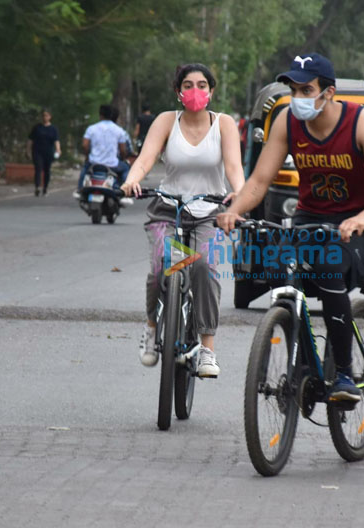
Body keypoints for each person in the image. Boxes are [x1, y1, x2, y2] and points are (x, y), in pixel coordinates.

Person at [216, 53, 364, 400]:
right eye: (293, 89)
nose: (298, 97)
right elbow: (259, 181)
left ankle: (344, 374)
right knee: (274, 262)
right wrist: (234, 210)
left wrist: (362, 218)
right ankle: (300, 359)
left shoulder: (362, 123)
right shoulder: (287, 121)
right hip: (310, 220)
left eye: (306, 89)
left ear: (328, 92)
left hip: (361, 226)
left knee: (328, 267)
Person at [121, 63, 244, 377]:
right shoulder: (166, 120)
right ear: (178, 92)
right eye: (188, 85)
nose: (195, 91)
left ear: (211, 91)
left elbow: (233, 168)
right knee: (161, 267)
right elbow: (146, 158)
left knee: (205, 266)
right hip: (168, 209)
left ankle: (207, 349)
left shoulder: (225, 124)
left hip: (211, 213)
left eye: (202, 85)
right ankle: (151, 328)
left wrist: (241, 197)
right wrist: (131, 179)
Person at [73, 104, 130, 199]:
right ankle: (125, 193)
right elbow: (123, 150)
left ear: (100, 115)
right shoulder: (119, 131)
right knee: (126, 169)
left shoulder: (91, 128)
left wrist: (87, 156)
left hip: (94, 164)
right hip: (112, 165)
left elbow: (85, 145)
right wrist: (123, 158)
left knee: (84, 170)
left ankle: (79, 189)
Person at [27, 109, 61, 196]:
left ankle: (45, 188)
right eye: (43, 115)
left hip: (48, 152)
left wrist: (58, 149)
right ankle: (37, 187)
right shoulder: (37, 127)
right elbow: (30, 139)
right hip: (37, 151)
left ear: (50, 117)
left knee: (47, 170)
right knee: (38, 168)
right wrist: (28, 150)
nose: (45, 117)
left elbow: (56, 140)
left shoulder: (53, 129)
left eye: (46, 115)